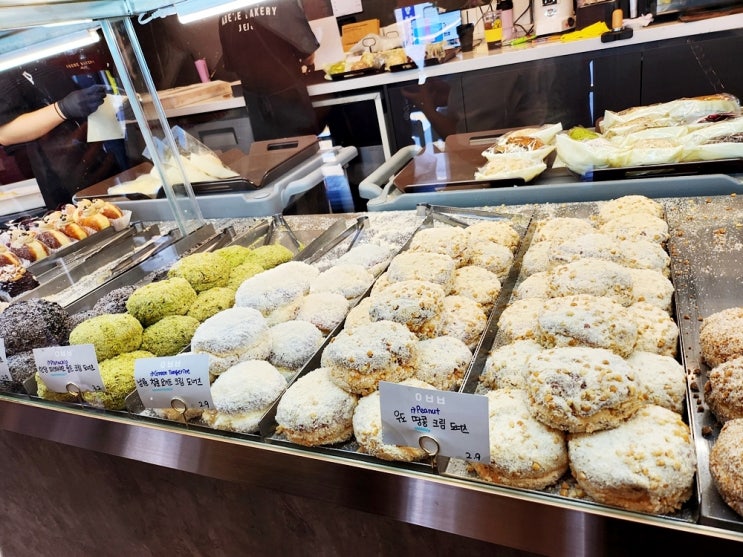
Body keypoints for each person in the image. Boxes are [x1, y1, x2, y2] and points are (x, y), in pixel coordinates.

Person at [0, 62, 125, 209]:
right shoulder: (7, 65)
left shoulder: (43, 59)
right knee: (84, 216)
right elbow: (5, 133)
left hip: (97, 151)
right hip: (59, 168)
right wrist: (63, 108)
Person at [218, 0, 322, 141]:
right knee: (305, 149)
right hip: (289, 97)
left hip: (256, 103)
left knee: (269, 152)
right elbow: (307, 55)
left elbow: (232, 64)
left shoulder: (224, 10)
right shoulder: (282, 3)